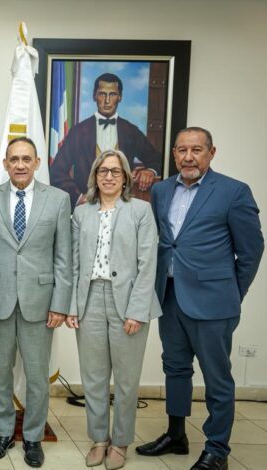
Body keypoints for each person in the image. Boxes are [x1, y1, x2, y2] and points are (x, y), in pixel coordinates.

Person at [137, 127, 264, 470]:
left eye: (196, 150)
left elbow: (251, 251)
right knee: (175, 368)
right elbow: (166, 242)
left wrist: (233, 293)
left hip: (214, 302)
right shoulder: (161, 190)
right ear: (174, 154)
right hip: (170, 296)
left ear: (211, 152)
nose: (188, 157)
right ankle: (176, 435)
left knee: (216, 377)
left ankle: (217, 450)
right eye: (182, 150)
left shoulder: (233, 192)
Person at [0, 137, 72, 468]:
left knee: (36, 376)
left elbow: (63, 258)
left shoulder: (58, 200)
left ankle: (33, 437)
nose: (20, 164)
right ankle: (3, 432)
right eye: (14, 159)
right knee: (0, 373)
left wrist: (60, 303)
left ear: (37, 162)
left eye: (26, 159)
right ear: (5, 164)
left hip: (41, 303)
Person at [65, 149, 162, 470]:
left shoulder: (141, 211)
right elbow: (73, 264)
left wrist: (137, 310)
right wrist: (72, 306)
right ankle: (98, 439)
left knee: (126, 380)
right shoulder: (81, 213)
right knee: (93, 378)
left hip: (129, 302)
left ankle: (120, 442)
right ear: (94, 176)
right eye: (103, 171)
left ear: (125, 178)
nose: (108, 176)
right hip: (89, 299)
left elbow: (148, 264)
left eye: (115, 171)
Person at [49, 73, 162, 205]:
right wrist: (78, 197)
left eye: (112, 94)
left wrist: (150, 171)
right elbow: (57, 171)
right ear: (94, 96)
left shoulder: (131, 131)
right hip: (86, 207)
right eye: (102, 94)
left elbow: (157, 160)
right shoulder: (78, 132)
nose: (107, 100)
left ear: (120, 97)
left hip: (123, 206)